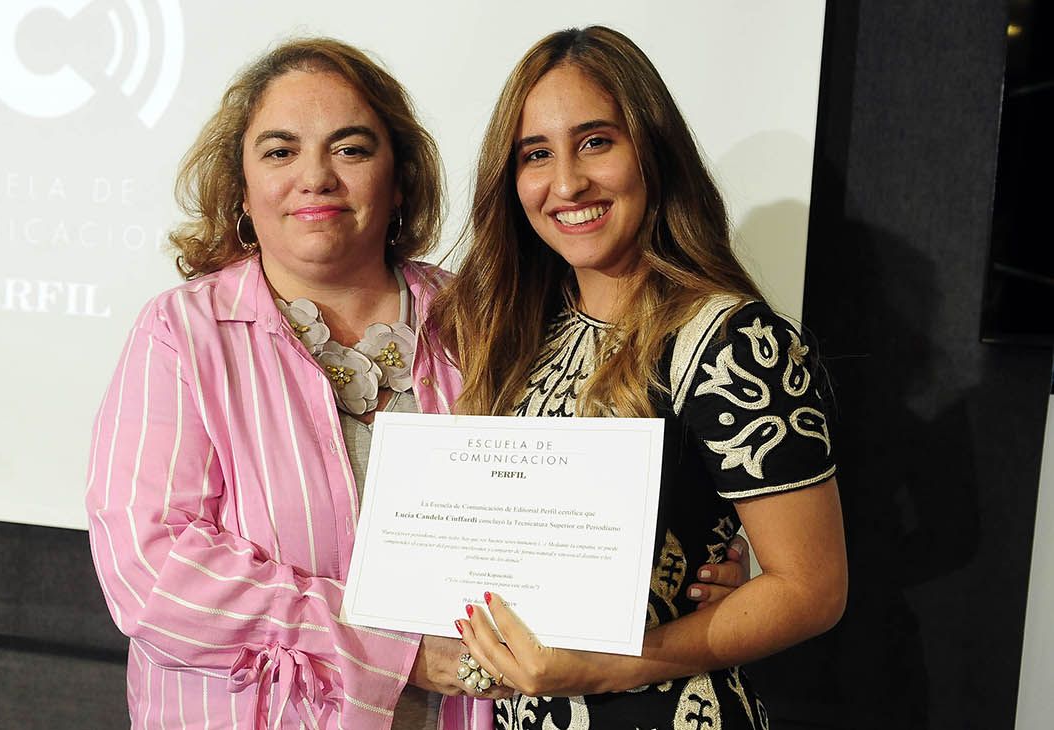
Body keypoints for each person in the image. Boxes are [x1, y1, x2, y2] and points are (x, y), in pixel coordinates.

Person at [86, 36, 749, 730]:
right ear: (241, 190)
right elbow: (153, 574)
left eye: (351, 149)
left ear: (399, 180)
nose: (316, 176)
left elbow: (570, 502)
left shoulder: (487, 319)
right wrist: (387, 649)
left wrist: (683, 570)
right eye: (280, 151)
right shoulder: (184, 336)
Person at [433, 26, 847, 730]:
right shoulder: (518, 330)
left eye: (597, 141)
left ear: (652, 151)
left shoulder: (731, 340)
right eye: (537, 154)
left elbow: (812, 589)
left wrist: (605, 665)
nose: (567, 182)